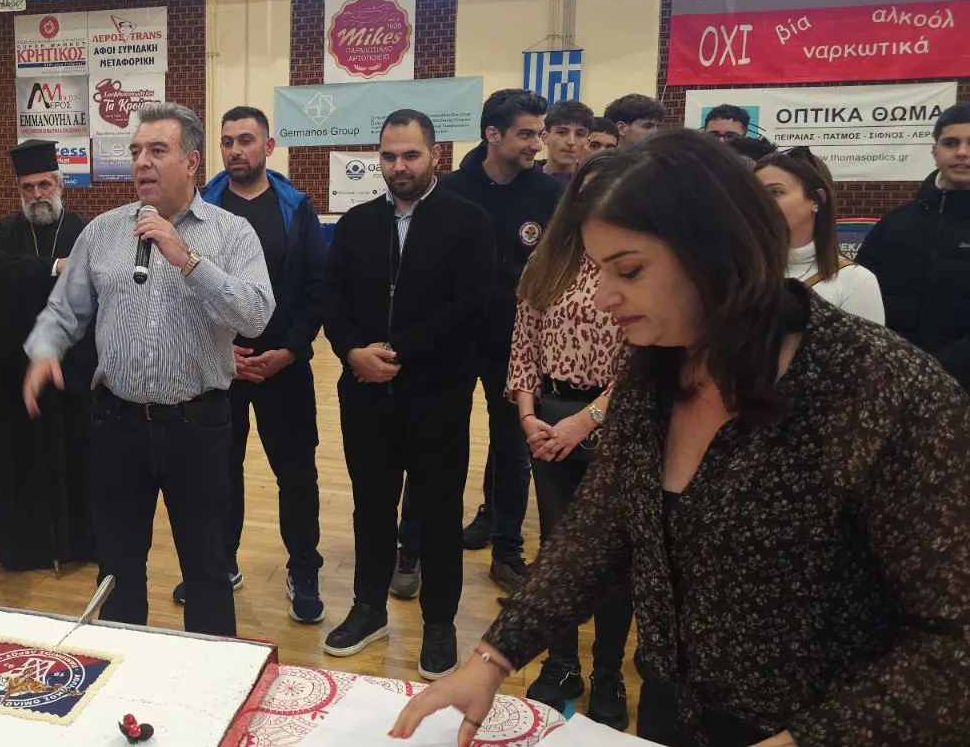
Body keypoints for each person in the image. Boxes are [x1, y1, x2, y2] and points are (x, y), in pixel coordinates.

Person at [392, 129, 970, 747]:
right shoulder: (656, 371)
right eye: (598, 269)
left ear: (717, 251)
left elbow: (951, 645)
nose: (604, 297)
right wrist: (493, 657)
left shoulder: (886, 390)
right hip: (674, 706)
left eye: (629, 270)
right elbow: (600, 529)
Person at [23, 102, 274, 637]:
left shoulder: (232, 234)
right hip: (116, 426)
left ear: (191, 162)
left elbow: (255, 315)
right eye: (136, 151)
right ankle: (122, 672)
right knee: (116, 571)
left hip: (198, 427)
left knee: (207, 569)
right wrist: (45, 350)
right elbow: (64, 311)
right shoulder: (104, 232)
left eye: (158, 151)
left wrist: (187, 259)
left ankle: (213, 675)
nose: (142, 162)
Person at [320, 109, 494, 678]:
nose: (399, 166)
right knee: (371, 507)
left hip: (436, 395)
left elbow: (470, 307)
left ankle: (439, 623)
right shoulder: (356, 223)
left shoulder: (468, 221)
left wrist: (398, 353)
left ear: (434, 155)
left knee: (439, 513)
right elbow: (332, 297)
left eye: (410, 155)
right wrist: (352, 351)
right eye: (389, 156)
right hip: (364, 394)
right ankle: (368, 608)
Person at [506, 153, 633, 729]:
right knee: (559, 548)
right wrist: (528, 415)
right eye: (587, 189)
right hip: (549, 418)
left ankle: (607, 671)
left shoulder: (638, 260)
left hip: (615, 418)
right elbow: (523, 344)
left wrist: (590, 419)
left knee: (612, 554)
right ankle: (561, 664)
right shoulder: (548, 257)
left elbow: (649, 359)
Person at [195, 105, 327, 624]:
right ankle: (219, 562)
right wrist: (220, 350)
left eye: (246, 140)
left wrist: (289, 350)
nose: (235, 150)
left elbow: (316, 287)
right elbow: (185, 289)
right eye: (227, 141)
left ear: (268, 147)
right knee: (216, 472)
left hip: (284, 368)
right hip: (219, 368)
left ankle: (304, 568)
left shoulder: (296, 207)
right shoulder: (202, 207)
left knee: (296, 475)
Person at [438, 89, 564, 594]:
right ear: (493, 134)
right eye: (526, 134)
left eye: (540, 133)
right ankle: (421, 543)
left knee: (512, 449)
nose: (538, 143)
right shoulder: (448, 190)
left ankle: (507, 551)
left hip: (517, 346)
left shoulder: (549, 194)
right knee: (440, 443)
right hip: (453, 341)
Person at [0, 139, 96, 571]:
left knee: (76, 454)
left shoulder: (83, 230)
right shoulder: (7, 232)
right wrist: (54, 267)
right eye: (28, 188)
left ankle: (78, 542)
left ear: (59, 185)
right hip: (17, 366)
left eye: (44, 185)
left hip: (72, 366)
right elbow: (0, 268)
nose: (37, 195)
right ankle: (24, 545)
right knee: (21, 456)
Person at [857, 102, 970, 393]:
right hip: (891, 383)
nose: (962, 152)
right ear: (935, 151)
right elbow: (860, 297)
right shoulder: (895, 222)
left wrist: (937, 371)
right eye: (951, 143)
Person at [755, 146, 884, 325]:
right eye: (755, 194)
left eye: (775, 192)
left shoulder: (855, 281)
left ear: (817, 199)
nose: (761, 202)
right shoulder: (740, 273)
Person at [540, 100, 594, 182]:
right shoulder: (524, 177)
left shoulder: (593, 184)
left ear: (587, 142)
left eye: (579, 134)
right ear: (545, 137)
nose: (571, 142)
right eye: (562, 133)